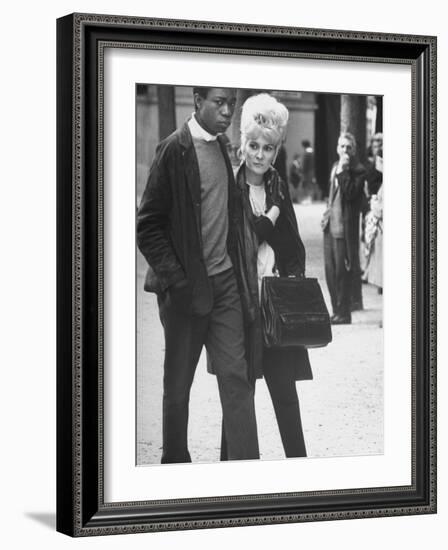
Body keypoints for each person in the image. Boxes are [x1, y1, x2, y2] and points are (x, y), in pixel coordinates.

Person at [137, 87, 260, 464]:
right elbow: (148, 226)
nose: (227, 111)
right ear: (197, 102)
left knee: (237, 379)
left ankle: (244, 471)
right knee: (178, 388)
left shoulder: (223, 148)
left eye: (231, 104)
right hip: (186, 290)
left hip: (225, 287)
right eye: (219, 103)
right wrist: (177, 280)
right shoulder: (173, 149)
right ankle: (175, 465)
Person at [220, 93, 312, 459]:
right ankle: (228, 475)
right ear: (243, 144)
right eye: (254, 145)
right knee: (240, 400)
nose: (260, 154)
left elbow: (294, 247)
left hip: (275, 308)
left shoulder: (278, 187)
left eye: (268, 148)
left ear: (277, 151)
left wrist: (290, 279)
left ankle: (300, 470)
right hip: (241, 307)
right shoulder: (231, 189)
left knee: (285, 395)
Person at [321, 132, 366, 324]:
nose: (345, 150)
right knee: (330, 272)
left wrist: (344, 171)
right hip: (330, 227)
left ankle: (344, 312)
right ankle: (336, 310)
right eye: (342, 146)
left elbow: (349, 194)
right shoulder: (334, 167)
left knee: (342, 273)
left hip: (344, 231)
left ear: (354, 150)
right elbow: (332, 196)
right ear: (337, 148)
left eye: (349, 147)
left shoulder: (358, 170)